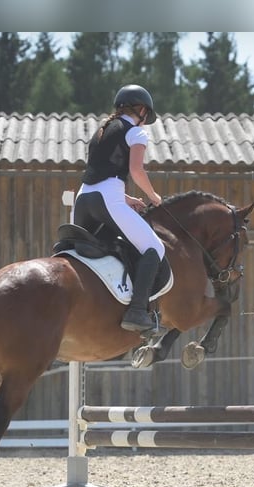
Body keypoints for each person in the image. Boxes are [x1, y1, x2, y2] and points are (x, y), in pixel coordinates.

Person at [71, 84, 164, 333]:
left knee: (71, 250)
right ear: (142, 110)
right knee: (155, 247)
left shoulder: (100, 131)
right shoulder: (136, 133)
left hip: (82, 200)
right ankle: (136, 311)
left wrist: (125, 199)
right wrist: (152, 196)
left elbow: (99, 175)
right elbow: (136, 171)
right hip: (106, 201)